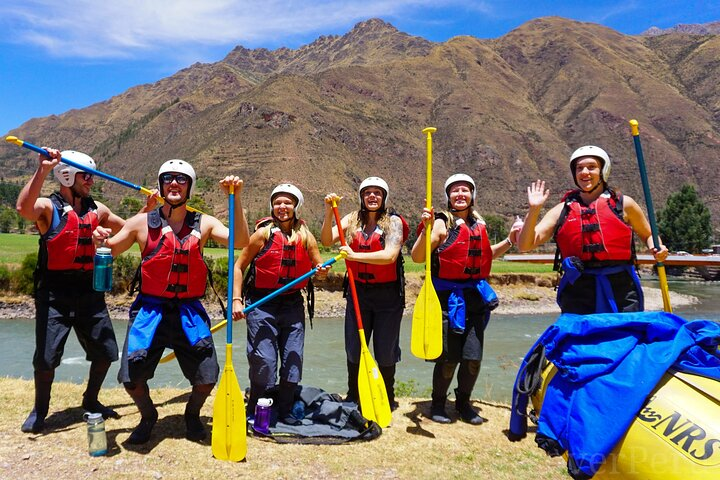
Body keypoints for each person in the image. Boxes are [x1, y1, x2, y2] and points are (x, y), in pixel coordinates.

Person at [93, 159, 249, 444]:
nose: (174, 183)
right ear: (161, 185)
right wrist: (99, 239)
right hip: (150, 310)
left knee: (206, 377)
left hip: (189, 311)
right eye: (168, 179)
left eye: (180, 179)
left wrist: (236, 198)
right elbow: (110, 249)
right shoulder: (141, 223)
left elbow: (240, 240)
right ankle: (148, 416)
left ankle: (191, 415)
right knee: (132, 379)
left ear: (189, 186)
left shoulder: (205, 223)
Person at [15, 147, 133, 433]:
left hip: (89, 291)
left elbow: (129, 229)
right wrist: (42, 169)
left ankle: (90, 401)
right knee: (46, 358)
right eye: (86, 177)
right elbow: (23, 209)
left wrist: (104, 236)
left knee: (106, 352)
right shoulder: (48, 207)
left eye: (92, 177)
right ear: (66, 176)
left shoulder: (97, 209)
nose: (91, 182)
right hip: (54, 293)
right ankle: (40, 410)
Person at [411, 174, 522, 424]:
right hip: (446, 298)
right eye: (455, 191)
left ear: (473, 195)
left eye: (465, 190)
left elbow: (485, 255)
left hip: (474, 297)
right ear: (448, 196)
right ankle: (438, 404)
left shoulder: (478, 224)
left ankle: (463, 404)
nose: (460, 194)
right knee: (449, 359)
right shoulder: (441, 223)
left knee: (472, 358)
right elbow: (418, 257)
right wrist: (424, 228)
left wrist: (509, 241)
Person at [517, 145, 669, 314]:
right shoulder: (562, 209)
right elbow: (525, 245)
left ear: (603, 171)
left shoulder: (624, 204)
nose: (584, 172)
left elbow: (648, 235)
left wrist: (658, 248)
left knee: (623, 338)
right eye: (579, 168)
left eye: (591, 167)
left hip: (621, 287)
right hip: (578, 289)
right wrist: (534, 210)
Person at [231, 184, 327, 426]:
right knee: (264, 361)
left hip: (292, 304)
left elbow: (320, 271)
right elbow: (238, 267)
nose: (282, 207)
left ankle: (284, 410)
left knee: (293, 361)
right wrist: (236, 300)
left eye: (288, 203)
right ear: (272, 207)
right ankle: (255, 408)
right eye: (278, 203)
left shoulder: (306, 236)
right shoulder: (262, 235)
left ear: (296, 207)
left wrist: (322, 271)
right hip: (262, 303)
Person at [320, 177, 408, 410]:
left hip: (388, 295)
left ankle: (387, 396)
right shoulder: (351, 219)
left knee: (385, 348)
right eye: (367, 192)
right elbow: (327, 240)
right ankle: (354, 394)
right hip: (358, 292)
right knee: (355, 346)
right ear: (361, 196)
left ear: (384, 197)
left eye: (377, 193)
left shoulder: (394, 222)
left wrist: (353, 256)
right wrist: (330, 213)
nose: (372, 196)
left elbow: (389, 255)